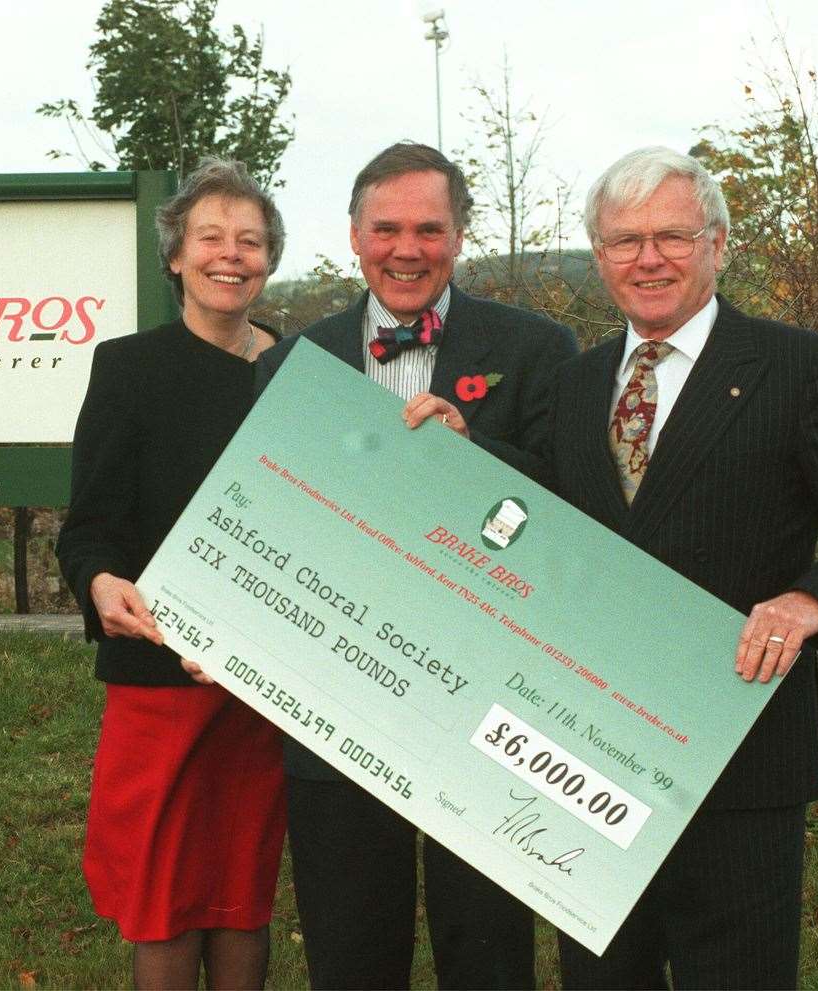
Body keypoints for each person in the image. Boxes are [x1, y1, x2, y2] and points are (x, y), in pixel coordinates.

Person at [541, 146, 818, 989]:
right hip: (591, 756)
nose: (649, 258)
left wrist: (810, 600)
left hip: (740, 749)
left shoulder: (795, 366)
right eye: (624, 240)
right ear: (598, 257)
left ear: (717, 243)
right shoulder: (570, 386)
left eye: (672, 236)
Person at [255, 141, 578, 990]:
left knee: (486, 950)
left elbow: (574, 513)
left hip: (486, 688)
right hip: (334, 684)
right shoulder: (294, 362)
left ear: (460, 236)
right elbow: (262, 514)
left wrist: (478, 457)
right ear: (353, 235)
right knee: (350, 945)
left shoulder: (539, 347)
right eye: (386, 227)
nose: (407, 248)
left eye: (428, 228)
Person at [56, 158, 288, 990]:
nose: (232, 255)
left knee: (238, 894)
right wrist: (98, 583)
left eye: (250, 241)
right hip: (158, 674)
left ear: (269, 259)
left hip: (266, 683)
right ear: (176, 258)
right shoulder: (128, 369)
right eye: (211, 238)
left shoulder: (300, 376)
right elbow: (89, 528)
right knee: (161, 897)